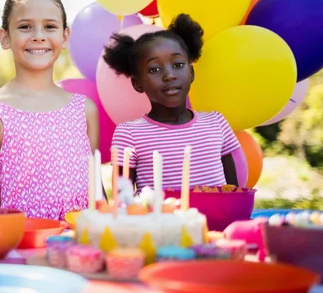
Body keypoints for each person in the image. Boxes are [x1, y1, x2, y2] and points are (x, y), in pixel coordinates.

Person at [0, 0, 100, 220]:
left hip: (80, 249)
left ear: (65, 36)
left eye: (50, 26)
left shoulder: (84, 109)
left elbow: (97, 196)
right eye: (25, 27)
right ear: (5, 37)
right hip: (20, 250)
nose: (38, 35)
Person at [103, 14, 240, 192]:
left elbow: (235, 193)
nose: (169, 75)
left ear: (191, 73)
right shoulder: (129, 133)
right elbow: (124, 202)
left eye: (177, 65)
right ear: (138, 83)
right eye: (155, 69)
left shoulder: (216, 122)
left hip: (217, 221)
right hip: (158, 220)